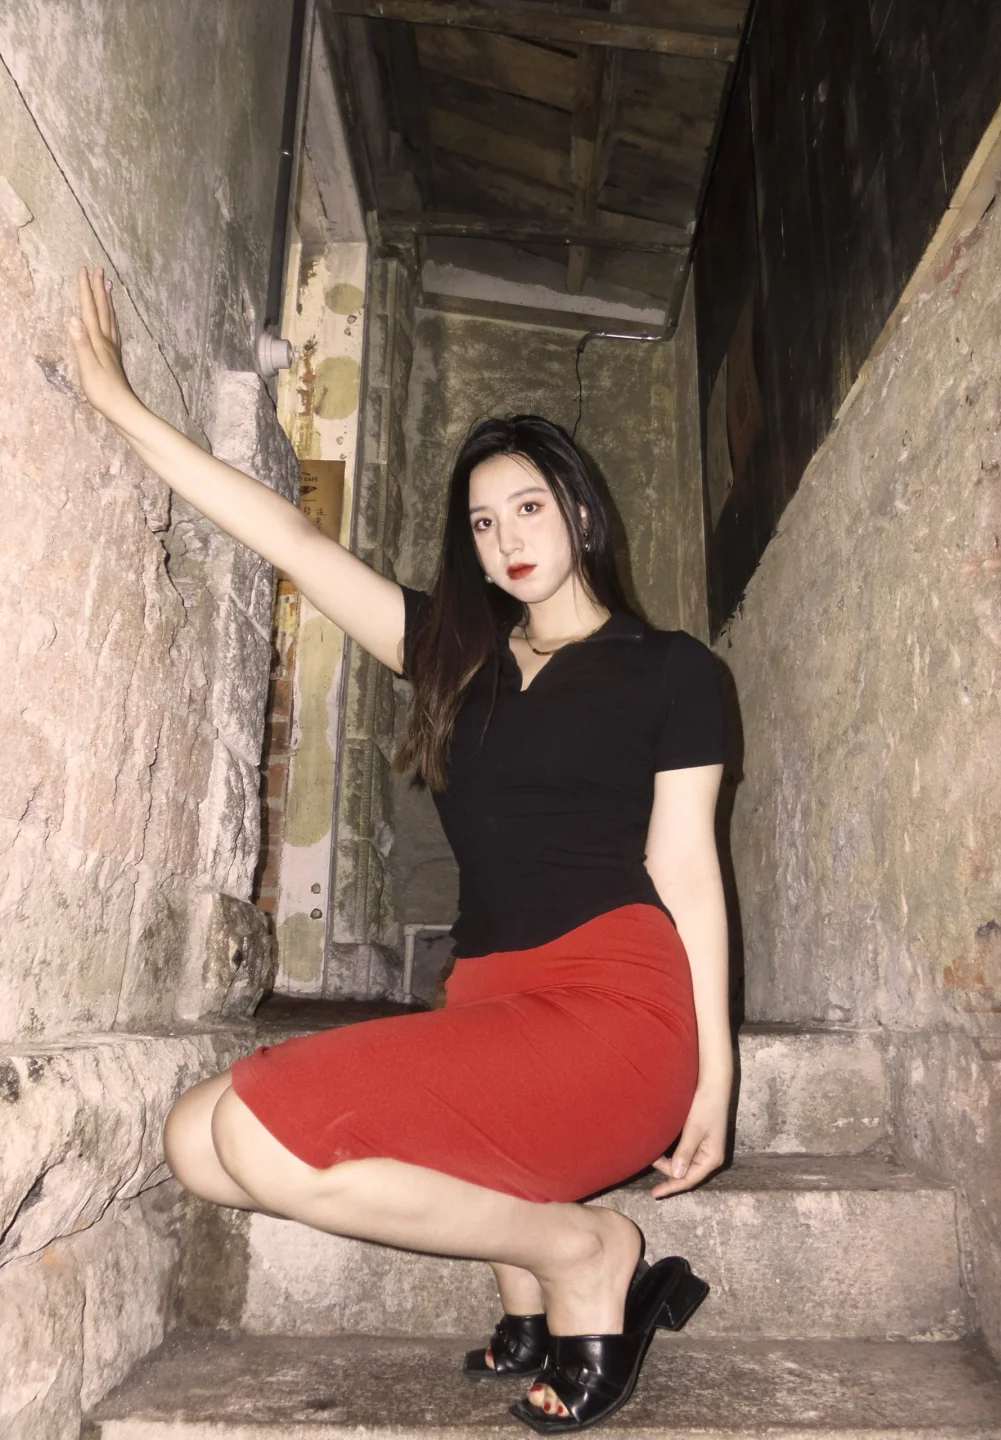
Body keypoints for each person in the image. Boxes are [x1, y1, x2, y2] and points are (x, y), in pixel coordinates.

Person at [68, 264, 734, 1433]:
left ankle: (582, 1253)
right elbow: (287, 534)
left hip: (618, 1011)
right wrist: (122, 406)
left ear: (581, 513)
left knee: (258, 1138)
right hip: (489, 1000)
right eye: (483, 522)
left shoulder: (676, 671)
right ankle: (532, 1281)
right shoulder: (452, 656)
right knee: (193, 1143)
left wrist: (716, 1075)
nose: (506, 538)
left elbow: (686, 869)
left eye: (528, 507)